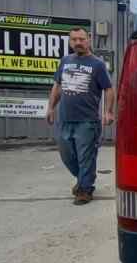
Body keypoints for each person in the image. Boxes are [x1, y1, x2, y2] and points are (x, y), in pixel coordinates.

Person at [46, 27, 115, 205]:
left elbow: (108, 89)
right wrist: (51, 108)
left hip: (87, 121)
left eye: (81, 39)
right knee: (67, 156)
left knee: (86, 157)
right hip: (65, 119)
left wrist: (108, 111)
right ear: (70, 42)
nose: (78, 42)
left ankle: (85, 189)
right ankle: (84, 179)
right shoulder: (65, 61)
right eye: (74, 39)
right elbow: (57, 86)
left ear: (88, 40)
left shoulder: (97, 64)